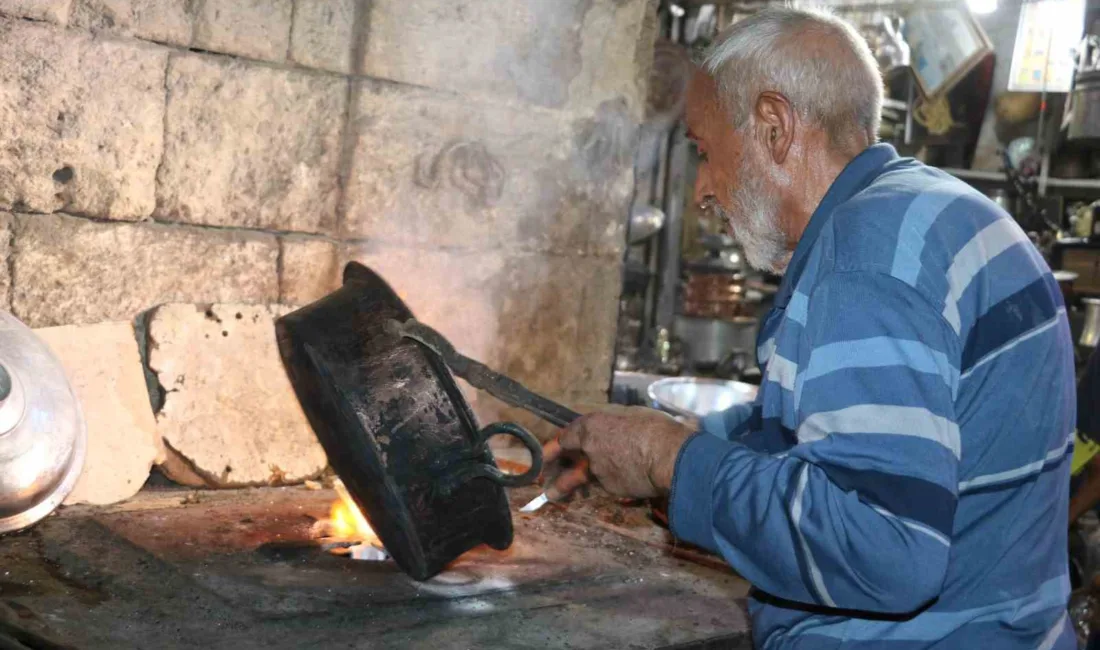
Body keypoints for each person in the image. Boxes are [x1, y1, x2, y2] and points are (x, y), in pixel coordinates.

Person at [543, 6, 1077, 649]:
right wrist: (673, 439)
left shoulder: (864, 261)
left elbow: (887, 549)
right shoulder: (933, 211)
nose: (705, 189)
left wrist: (669, 461)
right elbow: (825, 430)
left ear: (774, 125)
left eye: (706, 152)